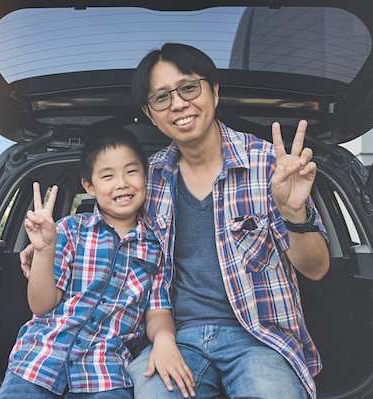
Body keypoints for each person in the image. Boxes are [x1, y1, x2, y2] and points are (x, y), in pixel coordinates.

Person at [22, 43, 330, 399]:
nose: (179, 104)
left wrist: (294, 213)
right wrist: (46, 250)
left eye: (188, 88)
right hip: (174, 338)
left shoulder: (269, 165)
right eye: (162, 97)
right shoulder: (147, 179)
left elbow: (317, 268)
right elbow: (103, 236)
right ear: (150, 114)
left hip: (260, 339)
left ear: (214, 91)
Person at [0, 130, 194, 399]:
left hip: (106, 371)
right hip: (40, 359)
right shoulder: (69, 230)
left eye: (131, 171)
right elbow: (41, 305)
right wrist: (44, 251)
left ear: (146, 176)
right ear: (89, 187)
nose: (122, 183)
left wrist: (164, 340)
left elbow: (157, 310)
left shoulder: (157, 246)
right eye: (107, 176)